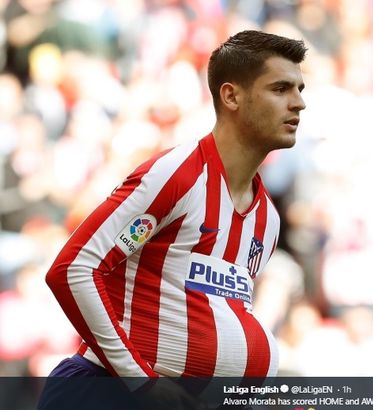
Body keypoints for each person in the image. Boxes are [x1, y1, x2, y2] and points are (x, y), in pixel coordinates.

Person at [38, 30, 307, 409]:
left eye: (299, 89)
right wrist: (141, 383)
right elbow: (73, 269)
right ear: (231, 96)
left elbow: (215, 307)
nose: (299, 104)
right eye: (280, 89)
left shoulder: (267, 218)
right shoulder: (177, 175)